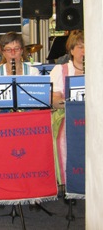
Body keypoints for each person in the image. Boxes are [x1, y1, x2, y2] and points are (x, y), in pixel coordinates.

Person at [50, 30, 84, 186]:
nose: (84, 51)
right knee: (62, 137)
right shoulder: (61, 70)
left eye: (87, 47)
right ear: (71, 50)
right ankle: (69, 182)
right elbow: (54, 100)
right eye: (80, 47)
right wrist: (70, 102)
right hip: (67, 115)